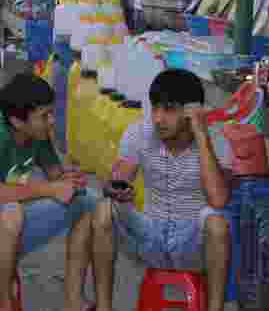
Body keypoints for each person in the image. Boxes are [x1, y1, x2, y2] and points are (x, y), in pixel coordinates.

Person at [0, 73, 100, 311]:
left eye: (51, 113)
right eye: (44, 116)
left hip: (9, 231)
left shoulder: (38, 136)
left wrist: (71, 181)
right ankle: (5, 305)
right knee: (11, 210)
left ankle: (74, 301)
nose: (51, 121)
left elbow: (57, 179)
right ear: (17, 121)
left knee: (87, 200)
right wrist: (49, 189)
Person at [90, 68, 232, 311]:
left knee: (217, 223)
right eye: (155, 108)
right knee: (104, 210)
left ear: (190, 111)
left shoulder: (215, 140)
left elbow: (218, 199)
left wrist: (201, 135)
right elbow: (118, 179)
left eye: (169, 109)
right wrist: (116, 189)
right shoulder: (139, 133)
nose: (158, 118)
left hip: (191, 243)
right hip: (150, 237)